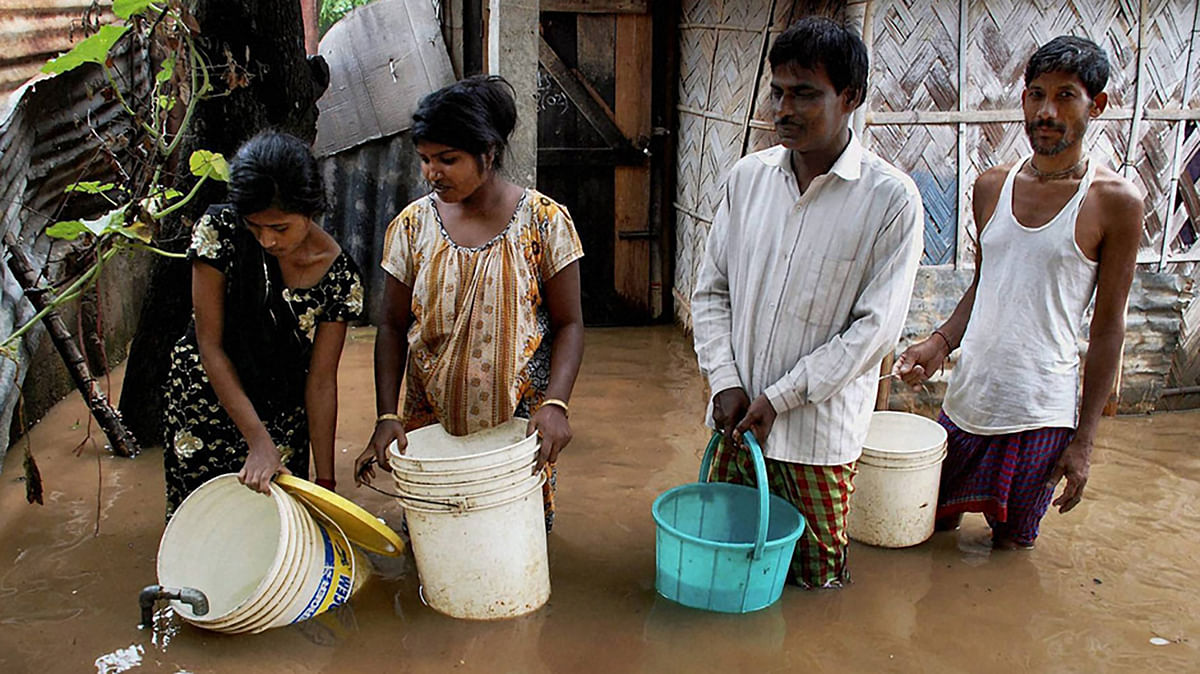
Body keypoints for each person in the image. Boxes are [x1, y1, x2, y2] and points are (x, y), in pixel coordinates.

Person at [692, 17, 924, 588]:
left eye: (805, 94)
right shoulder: (746, 180)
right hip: (736, 422)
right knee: (724, 560)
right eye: (777, 92)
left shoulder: (890, 200)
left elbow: (875, 332)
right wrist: (724, 379)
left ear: (850, 98)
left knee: (818, 579)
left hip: (819, 438)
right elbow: (711, 291)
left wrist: (782, 396)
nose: (783, 109)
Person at [895, 36, 1142, 549]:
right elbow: (986, 284)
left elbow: (1108, 327)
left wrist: (1084, 442)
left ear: (1096, 105)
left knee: (1010, 551)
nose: (1045, 111)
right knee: (924, 529)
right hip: (967, 402)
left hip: (1041, 414)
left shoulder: (1115, 202)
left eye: (1065, 96)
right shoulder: (991, 186)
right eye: (1035, 94)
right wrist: (939, 344)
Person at [355, 75, 585, 532]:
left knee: (516, 549)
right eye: (424, 159)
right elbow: (391, 327)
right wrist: (386, 416)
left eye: (448, 159)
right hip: (431, 429)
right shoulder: (411, 227)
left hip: (518, 430)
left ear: (489, 152)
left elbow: (570, 324)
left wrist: (556, 403)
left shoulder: (544, 222)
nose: (432, 173)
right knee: (436, 541)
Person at [163, 131, 364, 518]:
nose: (267, 241)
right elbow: (210, 345)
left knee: (282, 527)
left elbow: (321, 382)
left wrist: (325, 485)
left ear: (310, 210)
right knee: (202, 523)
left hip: (282, 412)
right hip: (206, 404)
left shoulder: (339, 279)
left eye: (280, 228)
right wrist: (257, 441)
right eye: (255, 228)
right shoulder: (220, 232)